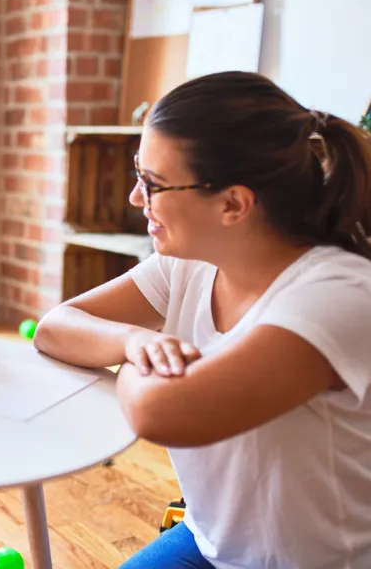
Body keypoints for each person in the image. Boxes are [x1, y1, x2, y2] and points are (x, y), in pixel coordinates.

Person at [33, 71, 371, 568]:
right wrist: (132, 340)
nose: (133, 198)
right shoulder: (186, 263)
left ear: (233, 203)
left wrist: (130, 363)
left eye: (152, 183)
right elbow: (55, 327)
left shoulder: (338, 294)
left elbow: (163, 413)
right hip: (209, 541)